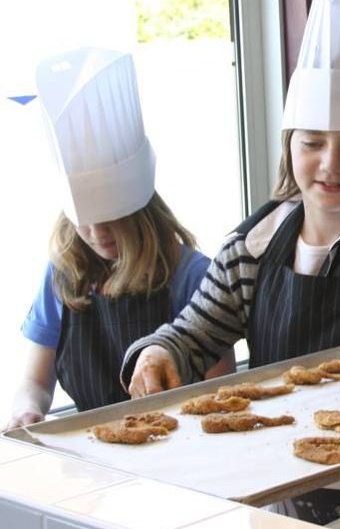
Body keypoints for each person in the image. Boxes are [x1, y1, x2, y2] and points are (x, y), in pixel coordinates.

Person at [120, 0, 340, 398]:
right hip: (273, 455)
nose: (331, 165)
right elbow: (191, 336)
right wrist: (157, 354)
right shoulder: (251, 248)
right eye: (312, 142)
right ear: (289, 146)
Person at [5, 48, 232, 430]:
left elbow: (219, 387)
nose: (96, 234)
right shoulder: (63, 274)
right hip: (94, 454)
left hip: (181, 449)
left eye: (111, 220)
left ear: (142, 209)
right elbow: (36, 381)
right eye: (83, 222)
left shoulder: (192, 275)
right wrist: (28, 409)